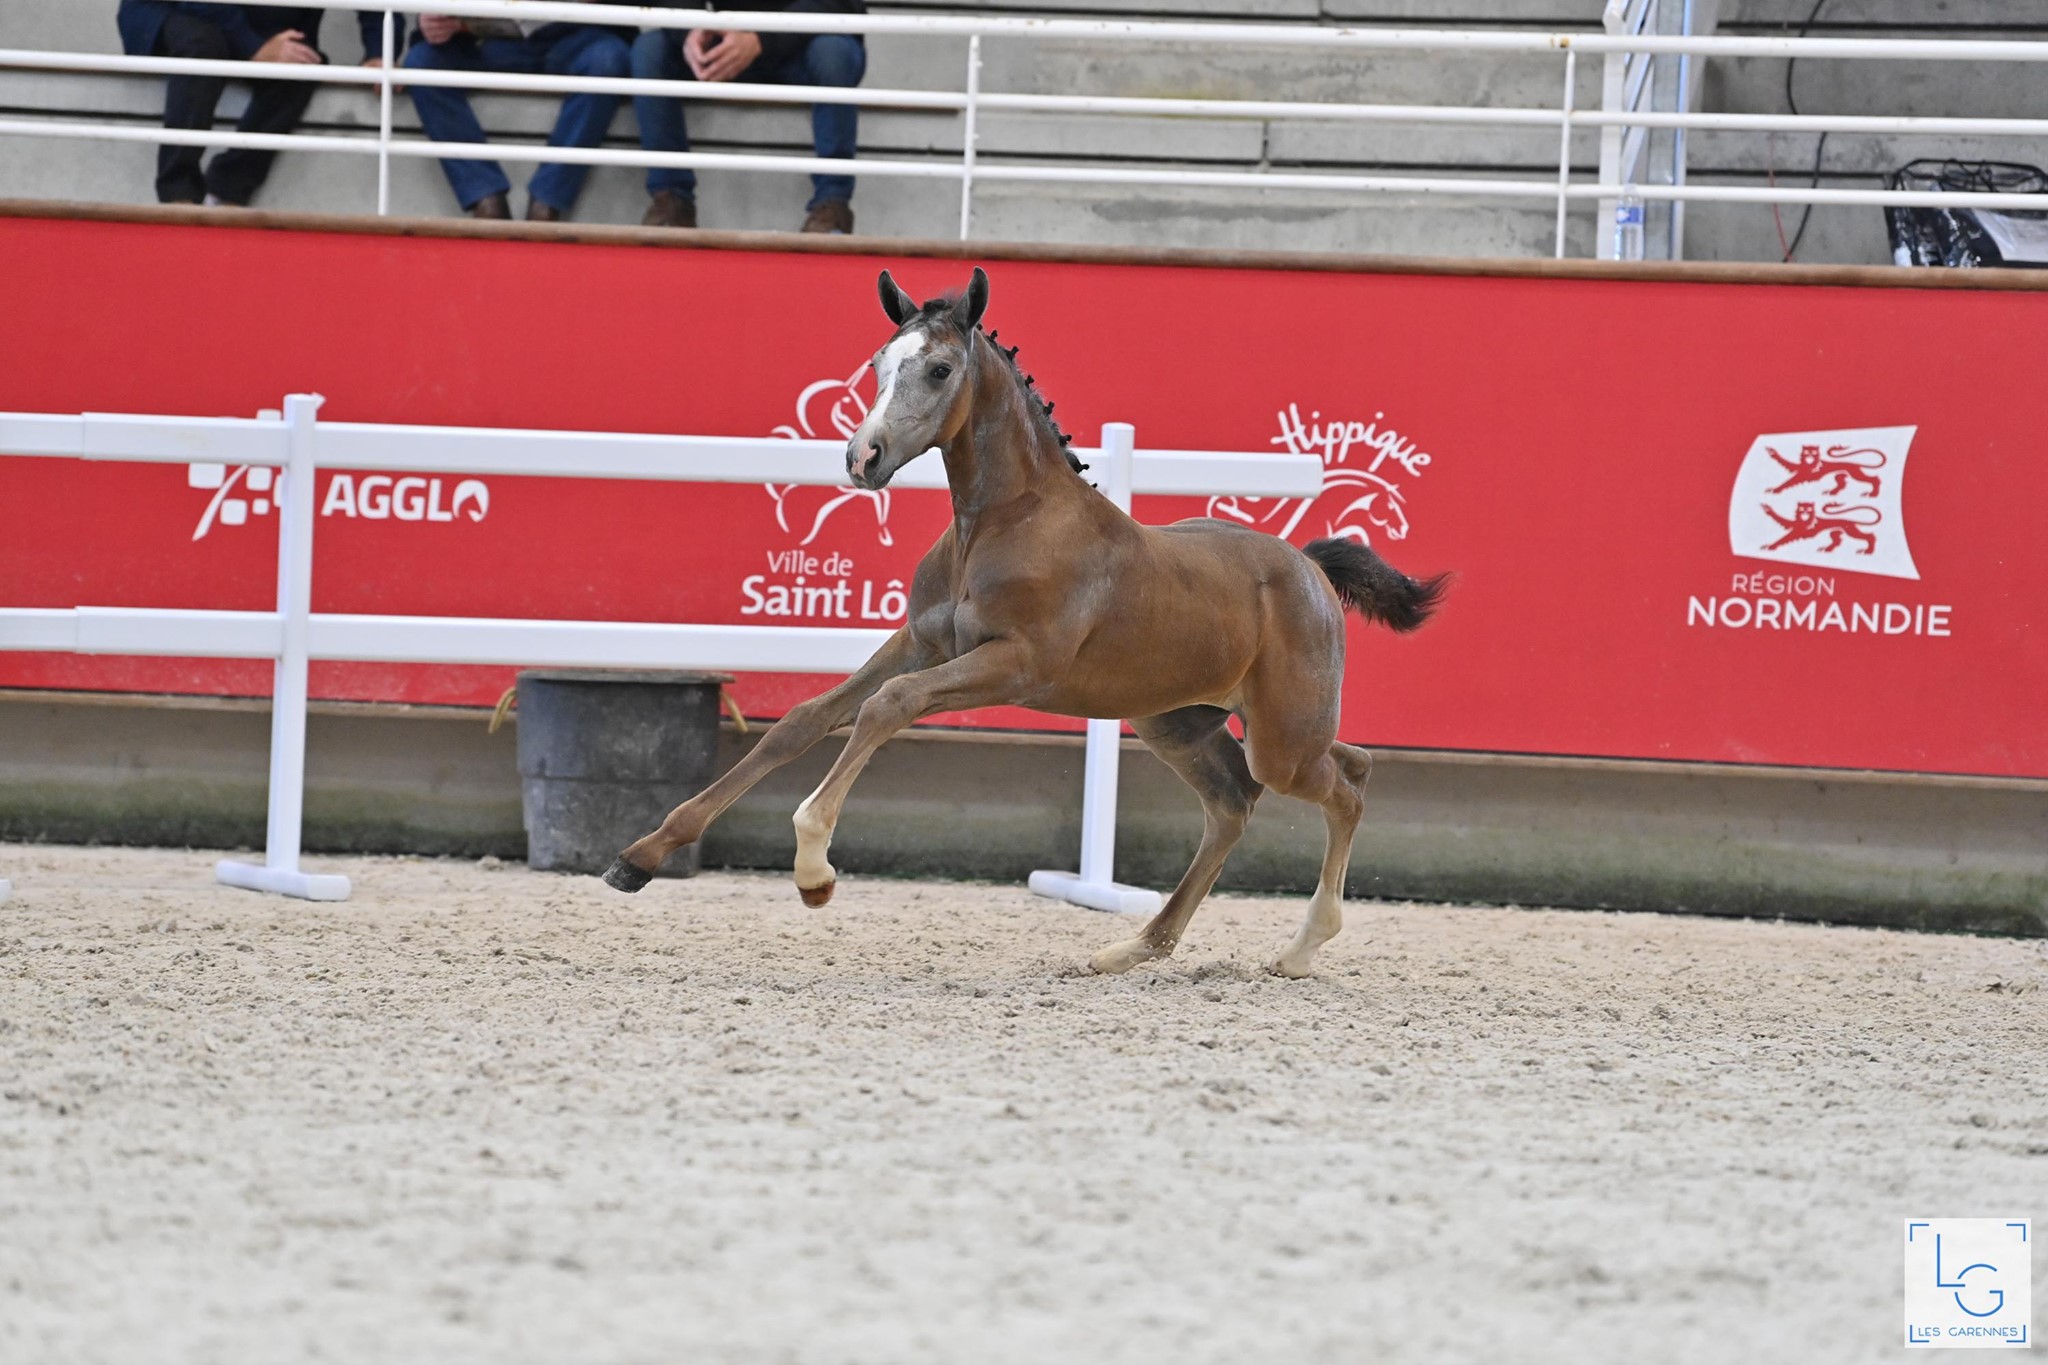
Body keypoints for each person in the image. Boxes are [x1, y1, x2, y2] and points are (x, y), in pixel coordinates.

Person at [115, 3, 390, 206]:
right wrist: (252, 45)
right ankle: (178, 193)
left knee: (303, 64)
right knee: (204, 44)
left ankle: (224, 193)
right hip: (170, 11)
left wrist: (379, 53)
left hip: (255, 25)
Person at [630, 1, 868, 233]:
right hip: (729, 45)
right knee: (650, 49)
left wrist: (760, 39)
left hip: (804, 45)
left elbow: (844, 4)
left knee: (833, 54)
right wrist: (692, 30)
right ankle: (671, 200)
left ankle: (833, 206)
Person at [402, 12, 634, 221]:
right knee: (422, 62)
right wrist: (434, 19)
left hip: (575, 39)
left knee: (608, 59)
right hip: (483, 42)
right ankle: (484, 196)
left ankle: (547, 200)